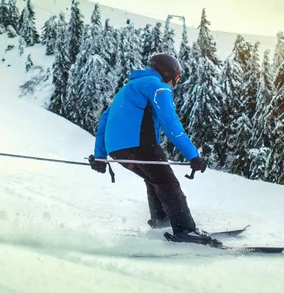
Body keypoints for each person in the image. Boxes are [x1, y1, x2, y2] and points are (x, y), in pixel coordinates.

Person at [90, 53, 215, 245]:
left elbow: (105, 120)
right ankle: (185, 230)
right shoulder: (158, 87)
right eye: (177, 79)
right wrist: (193, 155)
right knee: (167, 182)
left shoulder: (127, 88)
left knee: (155, 179)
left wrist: (100, 156)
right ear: (169, 74)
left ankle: (161, 223)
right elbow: (170, 123)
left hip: (117, 151)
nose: (175, 84)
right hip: (141, 145)